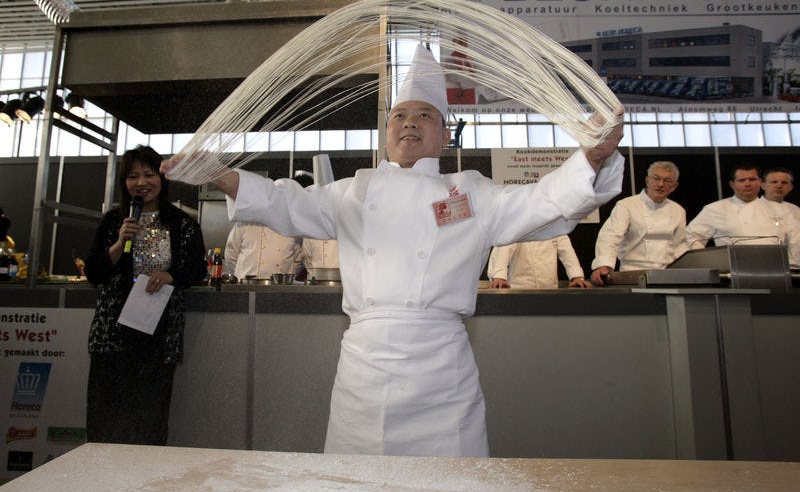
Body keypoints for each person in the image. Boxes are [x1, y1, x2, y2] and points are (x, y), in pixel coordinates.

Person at [163, 44, 625, 457]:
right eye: (399, 116)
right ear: (386, 134)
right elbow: (286, 203)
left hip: (441, 367)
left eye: (424, 115)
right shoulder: (352, 193)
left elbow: (541, 202)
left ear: (445, 135)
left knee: (448, 483)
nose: (409, 122)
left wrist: (591, 156)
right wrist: (219, 174)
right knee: (358, 481)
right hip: (364, 365)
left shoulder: (471, 193)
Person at [84, 145, 206, 445]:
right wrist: (117, 245)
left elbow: (197, 269)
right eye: (133, 176)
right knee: (107, 416)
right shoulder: (114, 222)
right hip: (112, 334)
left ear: (162, 179)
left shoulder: (183, 223)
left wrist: (171, 276)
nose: (142, 182)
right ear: (124, 183)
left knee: (150, 416)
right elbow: (93, 273)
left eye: (149, 174)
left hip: (159, 333)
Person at [590, 161, 688, 285]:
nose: (661, 184)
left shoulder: (678, 211)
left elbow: (680, 245)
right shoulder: (627, 205)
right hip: (632, 273)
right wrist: (604, 265)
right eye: (656, 178)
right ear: (648, 181)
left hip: (666, 275)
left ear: (674, 186)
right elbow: (610, 236)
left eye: (667, 181)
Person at [686, 163, 800, 267]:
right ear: (732, 184)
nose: (747, 184)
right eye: (742, 180)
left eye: (752, 179)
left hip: (776, 270)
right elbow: (691, 236)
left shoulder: (779, 209)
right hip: (733, 271)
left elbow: (794, 241)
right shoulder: (715, 209)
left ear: (760, 182)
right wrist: (710, 262)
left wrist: (794, 267)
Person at [487, 236, 591, 289]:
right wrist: (499, 277)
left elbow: (567, 251)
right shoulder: (518, 223)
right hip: (519, 290)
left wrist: (576, 277)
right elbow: (504, 248)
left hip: (550, 291)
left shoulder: (553, 224)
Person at [223, 222, 303, 280]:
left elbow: (298, 258)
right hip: (247, 285)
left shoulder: (290, 226)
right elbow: (231, 255)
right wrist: (241, 276)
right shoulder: (243, 223)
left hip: (279, 287)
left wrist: (287, 278)